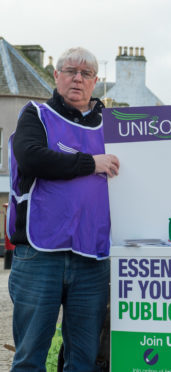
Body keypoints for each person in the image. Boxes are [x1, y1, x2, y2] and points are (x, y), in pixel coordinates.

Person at [7, 47, 120, 371]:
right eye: (70, 70)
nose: (77, 78)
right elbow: (31, 156)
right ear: (56, 76)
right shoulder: (35, 114)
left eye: (86, 74)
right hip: (40, 253)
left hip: (92, 256)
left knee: (83, 360)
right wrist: (90, 163)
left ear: (96, 81)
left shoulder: (113, 126)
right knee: (30, 358)